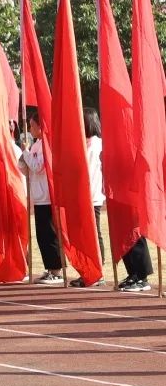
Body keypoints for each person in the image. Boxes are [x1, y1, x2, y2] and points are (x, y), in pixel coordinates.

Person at [22, 114, 63, 285]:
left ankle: (56, 270)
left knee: (49, 234)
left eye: (32, 126)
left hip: (46, 195)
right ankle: (49, 268)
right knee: (41, 235)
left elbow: (38, 167)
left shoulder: (46, 143)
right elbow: (28, 169)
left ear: (40, 126)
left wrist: (25, 152)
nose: (30, 130)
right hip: (37, 196)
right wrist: (24, 157)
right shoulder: (36, 145)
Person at [72, 109, 107, 287]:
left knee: (94, 233)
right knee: (82, 236)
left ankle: (98, 271)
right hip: (79, 196)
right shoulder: (79, 143)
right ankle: (86, 270)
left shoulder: (100, 144)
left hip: (93, 195)